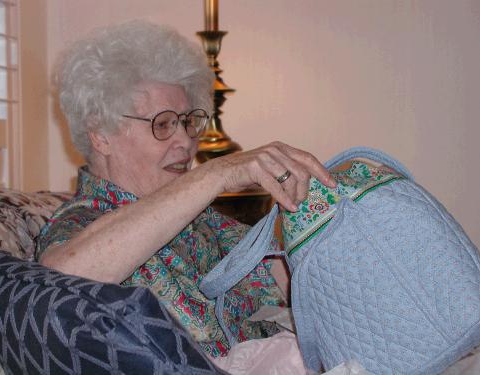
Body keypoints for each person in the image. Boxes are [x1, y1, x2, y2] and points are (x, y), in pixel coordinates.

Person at [36, 20, 336, 359]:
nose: (186, 141)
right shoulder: (81, 222)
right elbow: (56, 286)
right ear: (100, 134)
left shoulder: (208, 225)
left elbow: (298, 281)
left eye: (188, 121)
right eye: (163, 124)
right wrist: (215, 174)